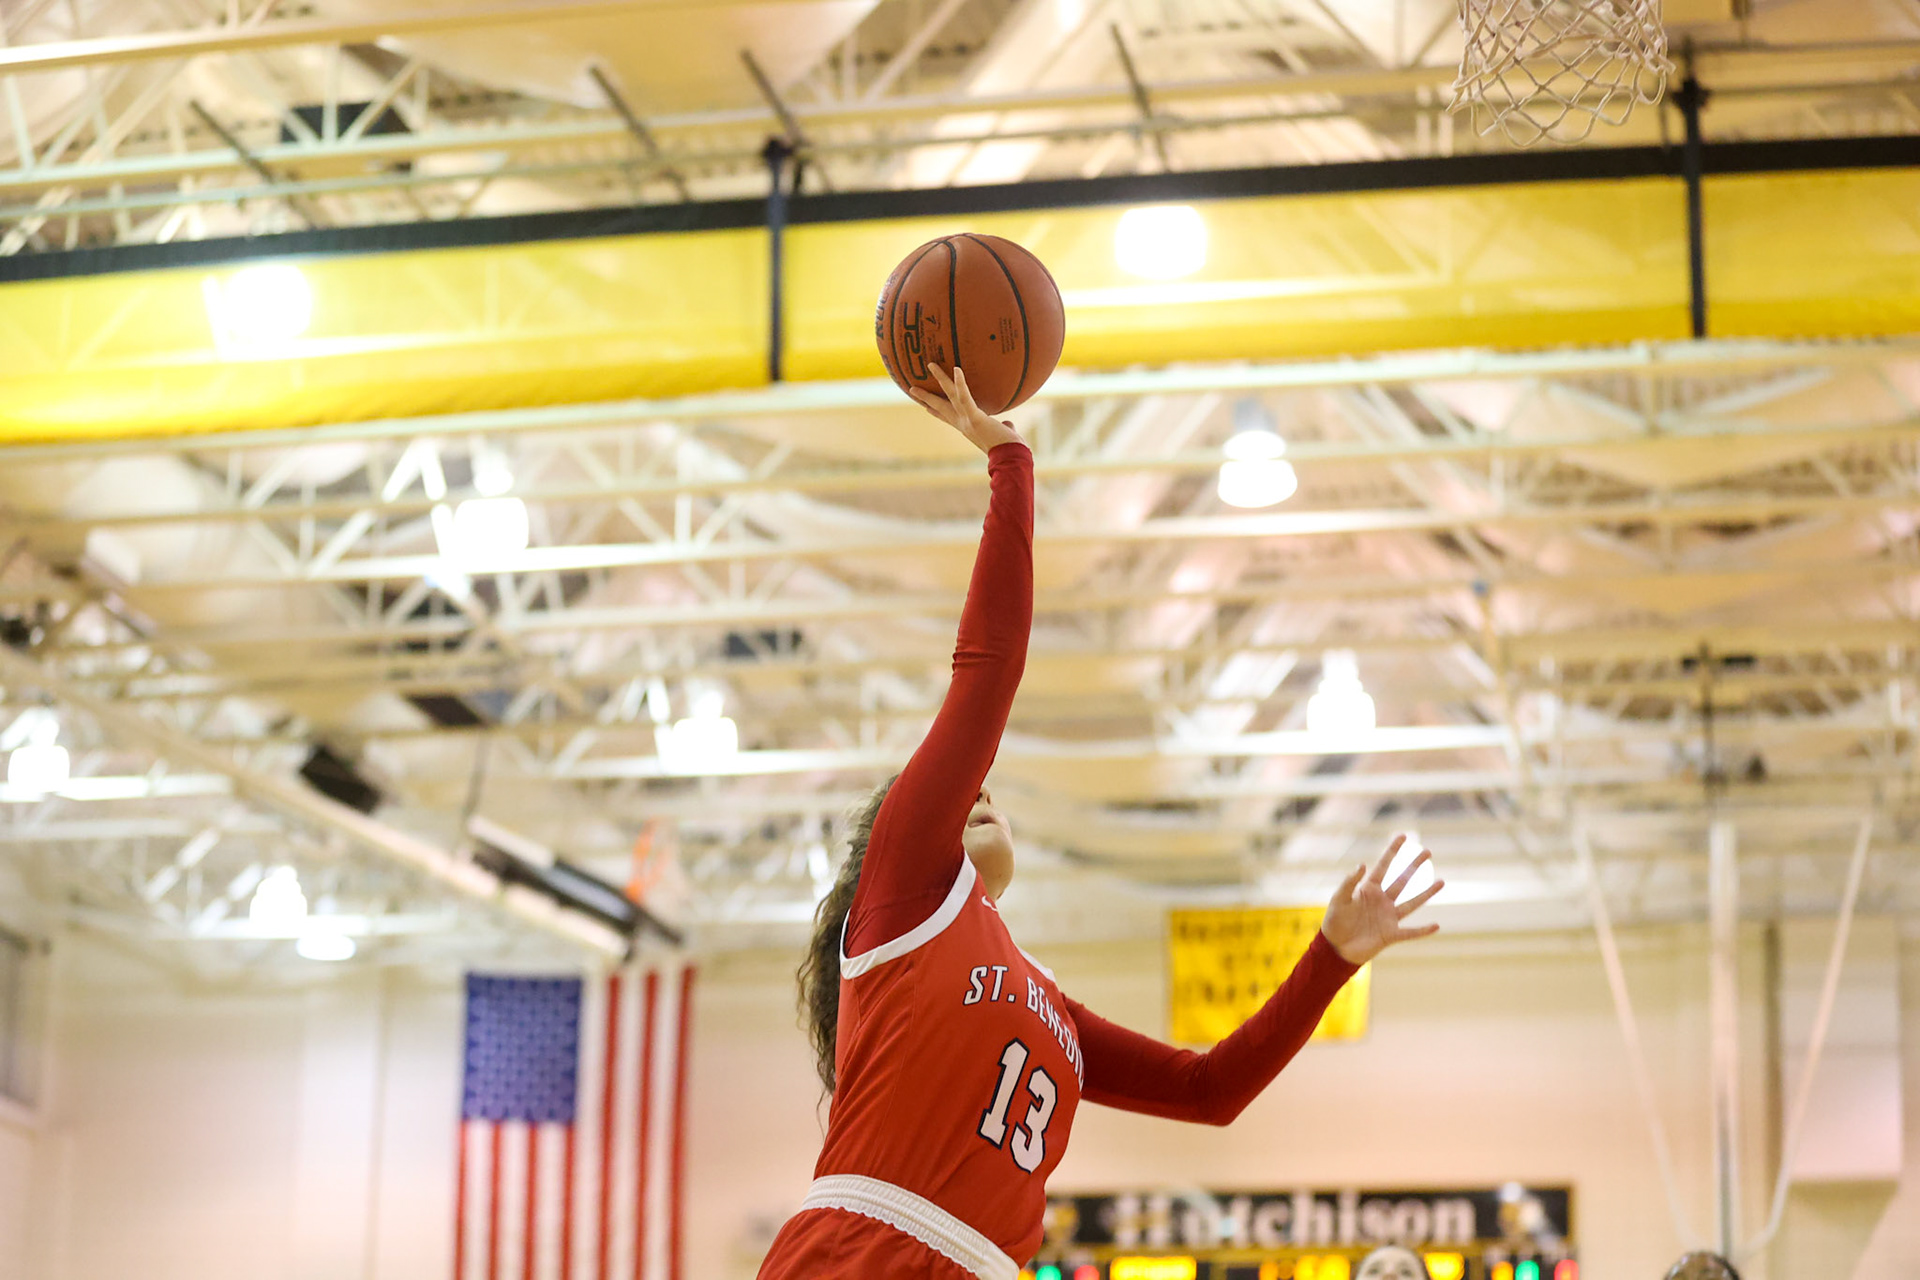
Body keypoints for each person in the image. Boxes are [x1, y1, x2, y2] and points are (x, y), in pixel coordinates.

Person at [756, 364, 1445, 1280]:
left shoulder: (1049, 1003)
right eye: (965, 790)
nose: (983, 793)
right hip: (865, 1251)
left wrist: (1331, 956)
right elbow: (987, 670)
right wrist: (1009, 464)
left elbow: (1213, 1092)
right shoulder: (908, 886)